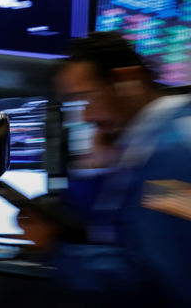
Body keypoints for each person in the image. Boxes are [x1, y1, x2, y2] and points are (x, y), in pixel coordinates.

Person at [18, 31, 191, 307]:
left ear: (126, 81)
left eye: (87, 97)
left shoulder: (170, 154)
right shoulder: (154, 140)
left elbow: (154, 280)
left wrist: (56, 248)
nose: (86, 115)